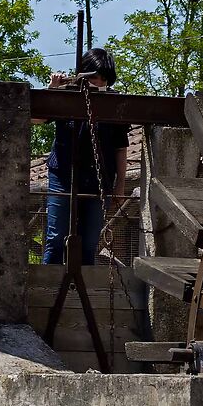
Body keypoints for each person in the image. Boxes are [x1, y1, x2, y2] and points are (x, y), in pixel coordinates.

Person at [42, 46, 130, 265]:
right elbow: (36, 118)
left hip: (99, 182)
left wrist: (120, 186)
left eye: (103, 79)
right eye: (95, 78)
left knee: (89, 243)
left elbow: (121, 148)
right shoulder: (66, 95)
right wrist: (52, 90)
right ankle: (47, 292)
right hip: (63, 177)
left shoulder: (114, 103)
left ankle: (83, 294)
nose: (98, 84)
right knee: (55, 239)